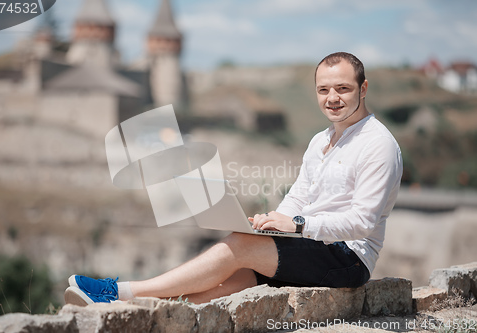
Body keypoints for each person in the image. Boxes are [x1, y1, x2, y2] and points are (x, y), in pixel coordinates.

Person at [64, 52, 403, 306]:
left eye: (343, 88)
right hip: (312, 246)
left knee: (239, 246)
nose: (332, 98)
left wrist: (297, 226)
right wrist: (271, 223)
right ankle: (137, 309)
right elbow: (298, 198)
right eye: (324, 89)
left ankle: (118, 292)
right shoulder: (320, 141)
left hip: (347, 259)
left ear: (363, 88)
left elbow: (363, 222)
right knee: (228, 280)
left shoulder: (379, 144)